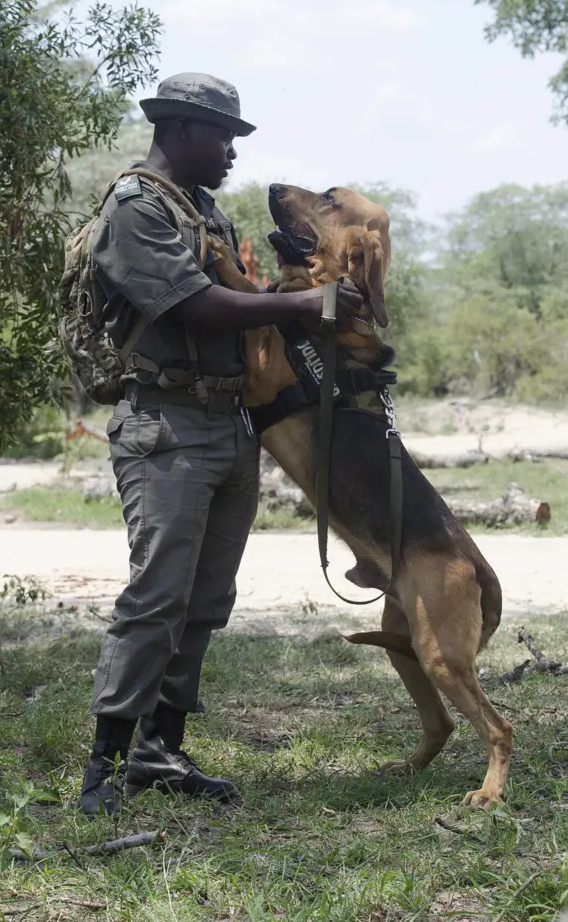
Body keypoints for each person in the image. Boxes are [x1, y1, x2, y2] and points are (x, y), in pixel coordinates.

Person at [79, 72, 364, 815]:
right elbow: (197, 305)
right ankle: (102, 770)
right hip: (167, 426)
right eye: (223, 136)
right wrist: (307, 301)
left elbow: (238, 295)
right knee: (156, 597)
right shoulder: (136, 209)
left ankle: (159, 751)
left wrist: (310, 298)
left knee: (206, 599)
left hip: (225, 423)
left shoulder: (199, 210)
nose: (234, 151)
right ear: (179, 131)